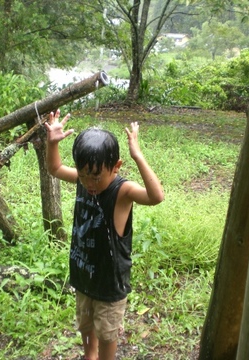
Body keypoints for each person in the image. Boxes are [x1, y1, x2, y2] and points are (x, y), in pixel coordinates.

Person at [45, 109, 164, 360]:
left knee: (107, 334)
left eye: (96, 176)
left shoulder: (122, 192)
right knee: (87, 328)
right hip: (84, 275)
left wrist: (138, 155)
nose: (89, 182)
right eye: (84, 174)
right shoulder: (82, 178)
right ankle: (89, 355)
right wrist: (52, 142)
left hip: (109, 284)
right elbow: (54, 168)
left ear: (116, 167)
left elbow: (156, 197)